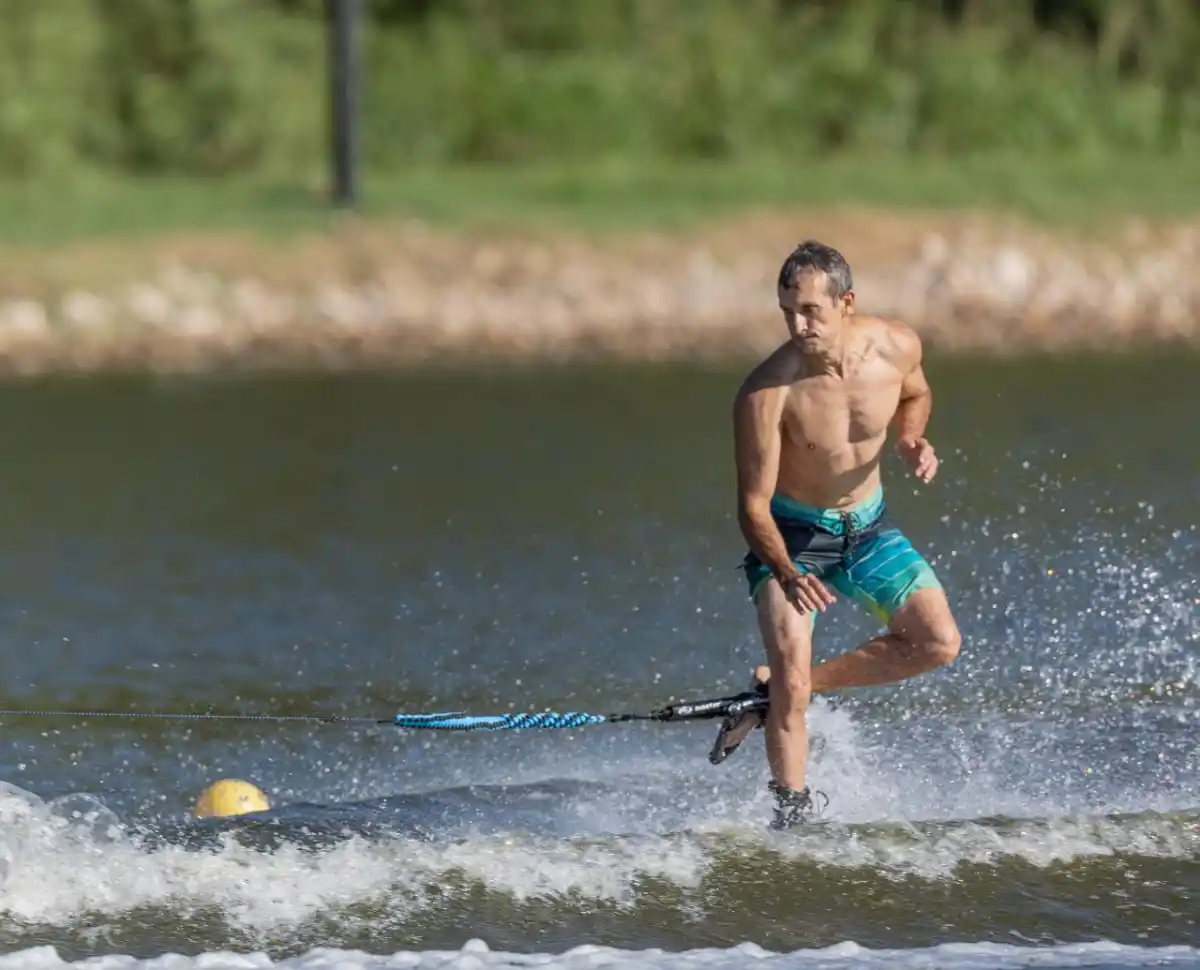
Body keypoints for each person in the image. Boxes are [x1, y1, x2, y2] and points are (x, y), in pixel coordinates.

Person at [711, 239, 962, 829]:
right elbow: (752, 508)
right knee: (792, 675)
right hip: (792, 539)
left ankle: (776, 693)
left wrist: (910, 439)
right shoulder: (766, 393)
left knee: (938, 643)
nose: (797, 326)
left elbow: (917, 394)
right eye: (787, 312)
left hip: (868, 527)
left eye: (810, 312)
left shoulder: (895, 346)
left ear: (846, 303)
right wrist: (788, 572)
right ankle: (792, 815)